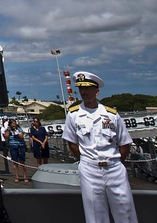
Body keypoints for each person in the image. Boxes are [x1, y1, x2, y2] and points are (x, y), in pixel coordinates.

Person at [62, 71, 137, 223]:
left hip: (114, 167)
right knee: (95, 213)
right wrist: (87, 160)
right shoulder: (74, 114)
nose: (84, 92)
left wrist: (114, 161)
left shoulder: (111, 115)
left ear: (96, 91)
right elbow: (72, 143)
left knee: (125, 209)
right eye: (81, 89)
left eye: (87, 88)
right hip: (90, 169)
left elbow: (124, 144)